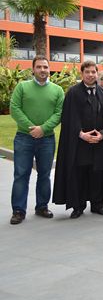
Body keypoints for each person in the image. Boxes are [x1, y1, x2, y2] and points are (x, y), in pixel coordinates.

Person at [53, 60, 103, 218]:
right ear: (82, 74)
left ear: (96, 73)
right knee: (80, 174)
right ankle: (78, 206)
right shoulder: (73, 93)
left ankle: (97, 205)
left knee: (97, 175)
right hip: (80, 143)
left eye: (93, 72)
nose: (90, 75)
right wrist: (81, 134)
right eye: (87, 72)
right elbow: (69, 118)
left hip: (100, 143)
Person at [9, 56, 64, 225]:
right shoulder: (22, 87)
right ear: (33, 69)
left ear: (49, 69)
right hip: (24, 138)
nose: (42, 70)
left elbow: (59, 113)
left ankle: (42, 206)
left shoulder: (57, 90)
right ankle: (18, 210)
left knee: (45, 174)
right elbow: (14, 108)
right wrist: (32, 128)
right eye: (39, 67)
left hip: (47, 139)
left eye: (45, 67)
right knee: (21, 175)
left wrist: (43, 129)